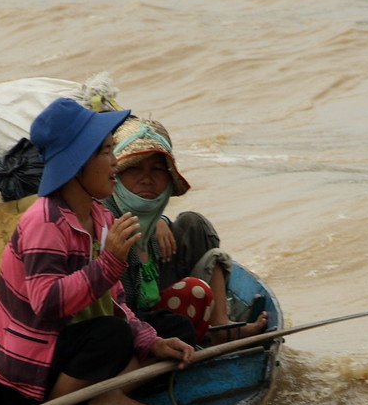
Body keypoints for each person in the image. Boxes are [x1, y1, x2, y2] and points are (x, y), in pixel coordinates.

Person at [0, 98, 195, 405]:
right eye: (106, 152)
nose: (114, 162)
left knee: (172, 329)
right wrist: (109, 263)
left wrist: (152, 341)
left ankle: (106, 397)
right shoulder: (44, 221)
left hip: (71, 357)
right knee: (110, 334)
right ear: (77, 163)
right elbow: (46, 303)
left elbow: (117, 302)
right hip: (25, 380)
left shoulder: (101, 218)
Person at [104, 116, 268, 343]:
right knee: (193, 291)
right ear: (117, 176)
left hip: (158, 314)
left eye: (157, 170)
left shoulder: (153, 223)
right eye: (134, 169)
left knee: (194, 223)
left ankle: (219, 324)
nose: (146, 179)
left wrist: (161, 221)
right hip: (130, 329)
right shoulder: (106, 220)